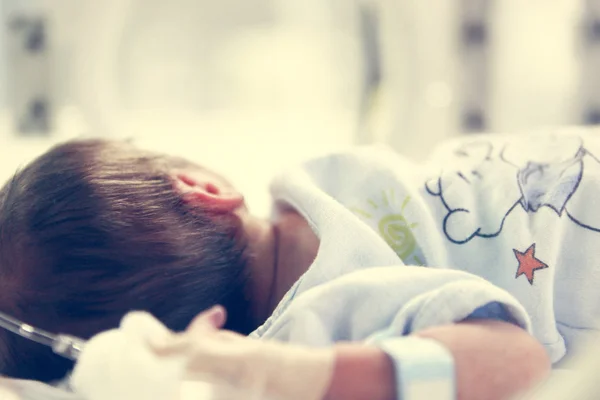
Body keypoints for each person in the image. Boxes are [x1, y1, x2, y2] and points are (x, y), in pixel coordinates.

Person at [8, 128, 599, 399]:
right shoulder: (328, 313)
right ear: (200, 186)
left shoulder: (319, 191)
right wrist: (298, 375)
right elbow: (512, 359)